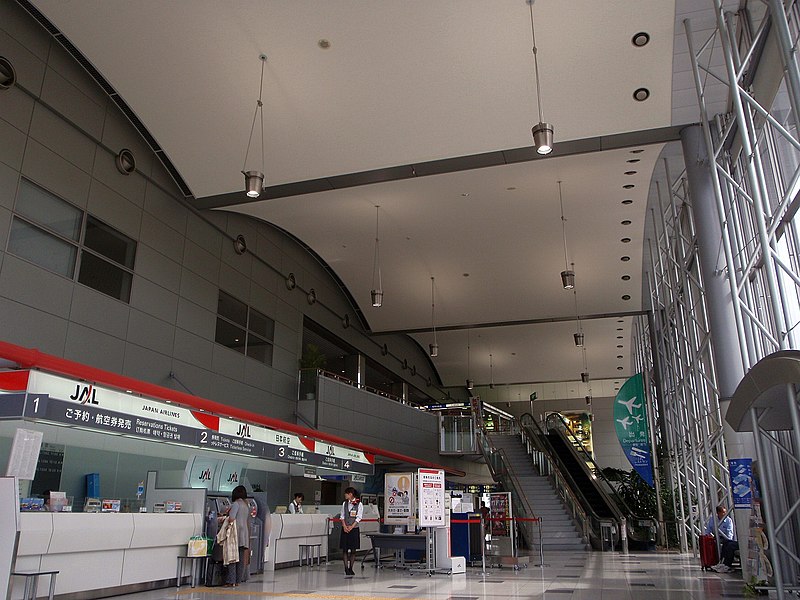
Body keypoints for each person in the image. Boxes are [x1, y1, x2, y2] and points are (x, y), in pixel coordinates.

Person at [224, 485, 252, 587]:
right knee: (240, 558)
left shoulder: (236, 504)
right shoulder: (246, 505)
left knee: (232, 557)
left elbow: (232, 518)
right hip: (244, 534)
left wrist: (225, 516)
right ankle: (238, 580)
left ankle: (231, 581)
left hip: (236, 534)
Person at [705, 504, 737, 573]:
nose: (724, 514)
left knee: (727, 544)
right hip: (716, 536)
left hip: (726, 538)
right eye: (723, 512)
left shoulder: (728, 520)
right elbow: (708, 529)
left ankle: (724, 563)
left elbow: (730, 533)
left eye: (725, 512)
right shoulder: (713, 519)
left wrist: (728, 539)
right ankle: (720, 562)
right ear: (718, 513)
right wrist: (707, 536)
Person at [340, 487, 362, 577]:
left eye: (346, 493)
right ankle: (345, 568)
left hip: (354, 529)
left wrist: (351, 527)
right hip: (345, 528)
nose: (345, 495)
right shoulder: (344, 503)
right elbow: (342, 515)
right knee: (345, 549)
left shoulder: (359, 504)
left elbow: (359, 517)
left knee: (353, 549)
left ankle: (351, 568)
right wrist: (344, 526)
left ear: (350, 494)